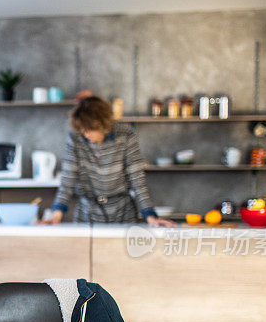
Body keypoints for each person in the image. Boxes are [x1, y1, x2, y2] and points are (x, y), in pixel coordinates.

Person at [42, 95, 175, 226]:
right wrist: (56, 214)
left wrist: (150, 216)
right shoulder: (76, 139)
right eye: (83, 129)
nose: (85, 134)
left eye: (90, 129)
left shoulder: (126, 135)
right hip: (87, 213)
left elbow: (137, 178)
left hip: (123, 212)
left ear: (103, 124)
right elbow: (68, 179)